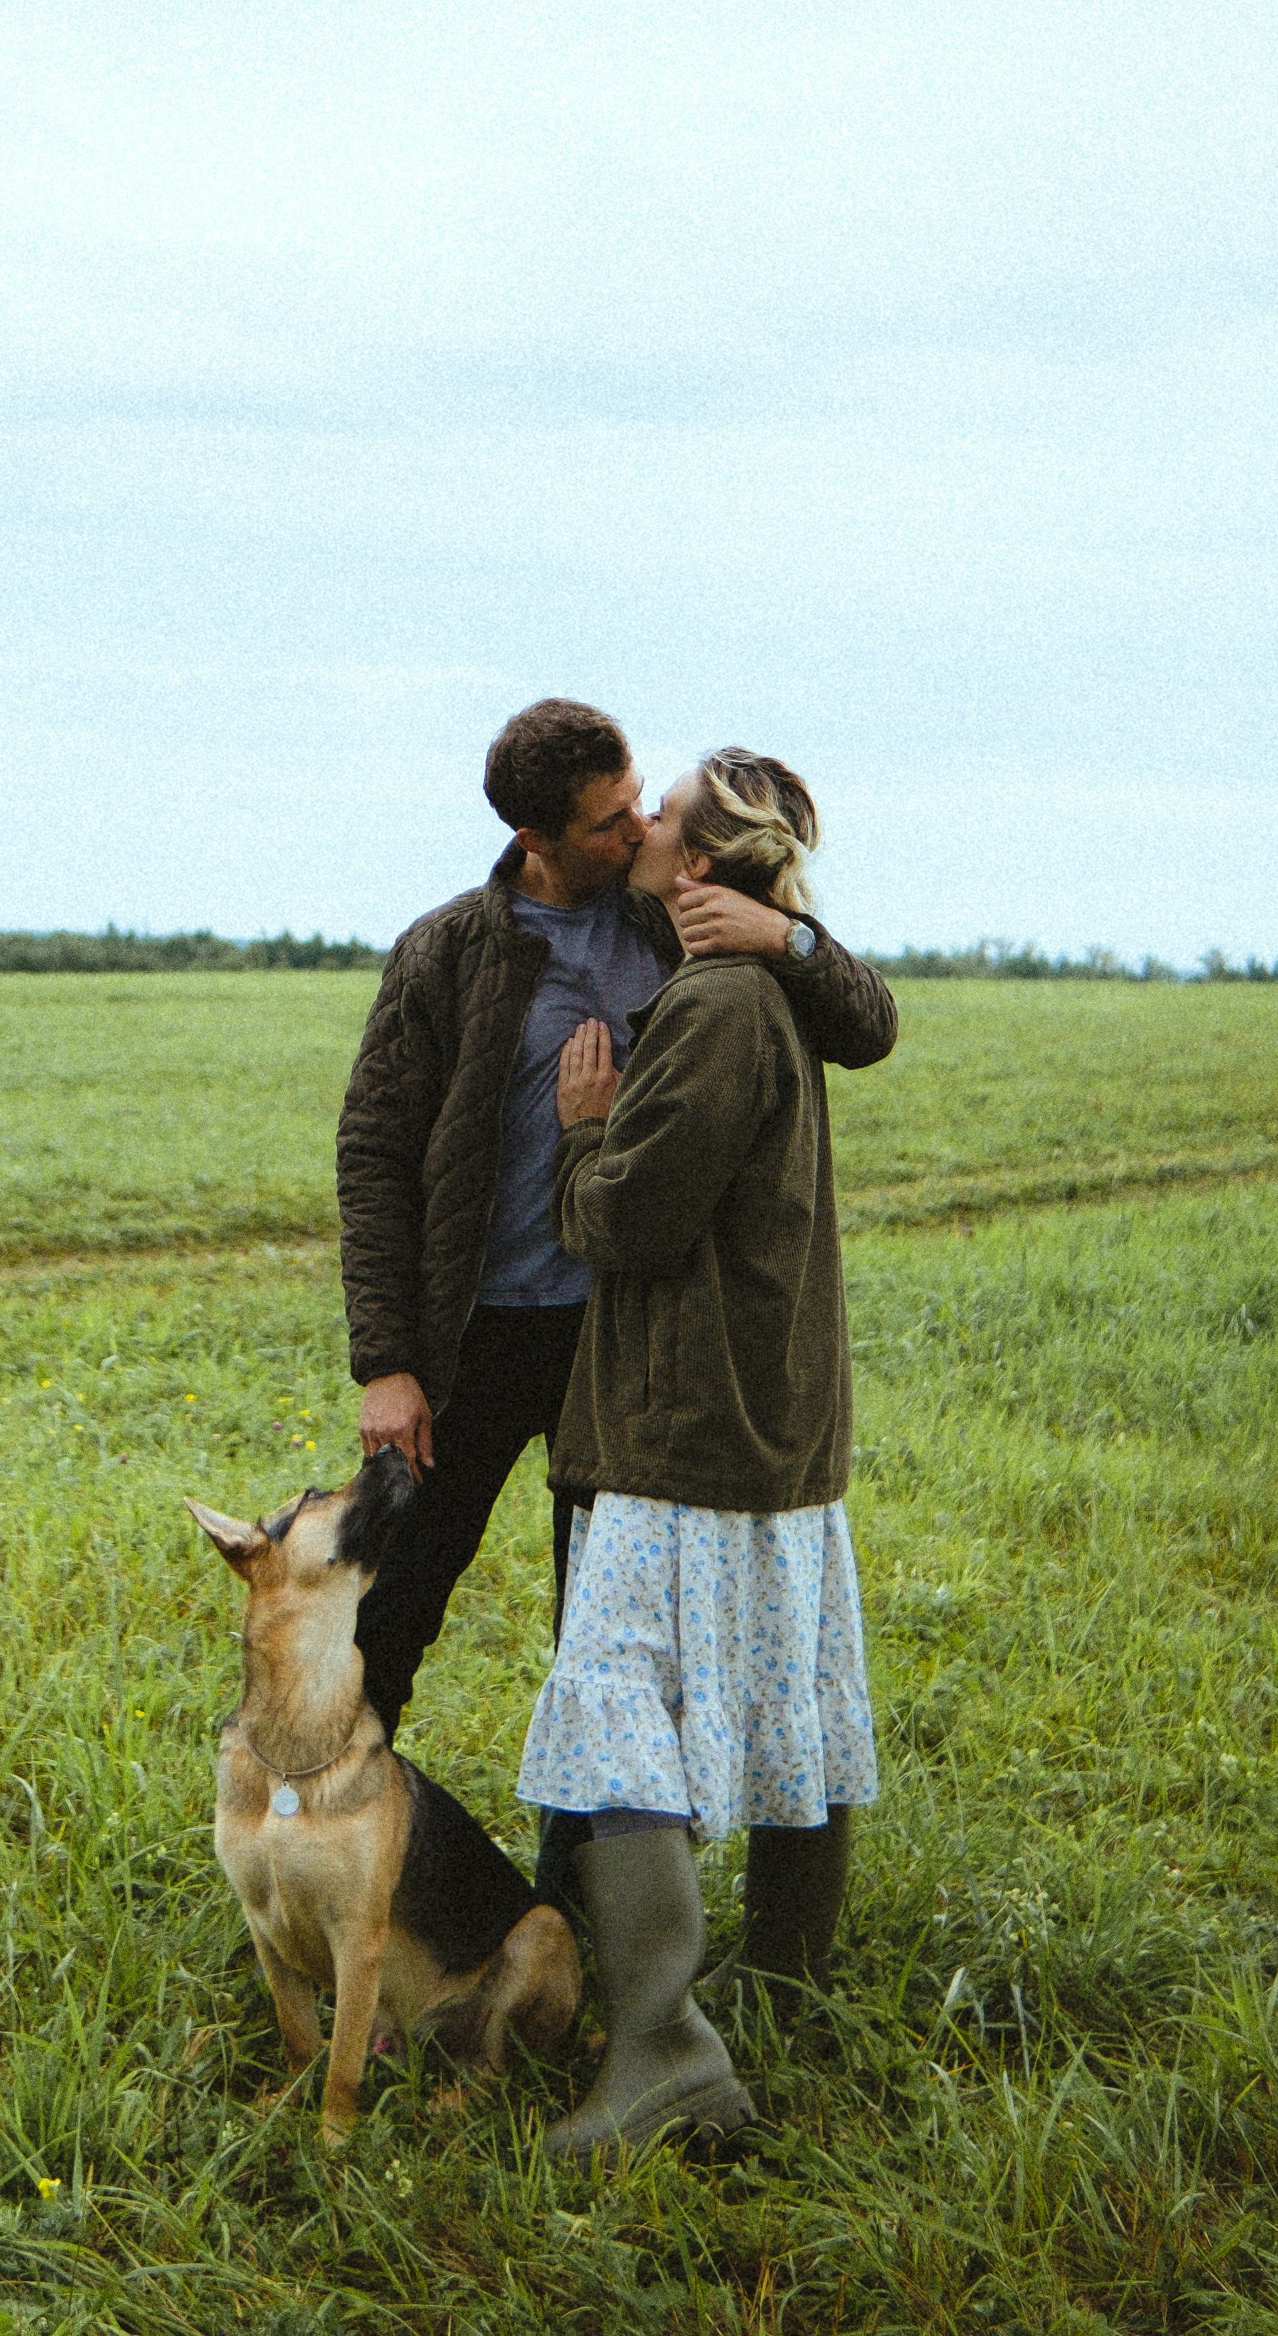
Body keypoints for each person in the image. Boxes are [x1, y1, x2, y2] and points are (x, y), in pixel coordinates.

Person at [337, 700, 896, 1752]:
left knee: (605, 1633)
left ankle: (583, 1886)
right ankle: (326, 1850)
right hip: (472, 1340)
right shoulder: (446, 950)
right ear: (531, 839)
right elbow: (371, 1158)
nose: (638, 827)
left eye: (639, 799)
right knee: (389, 1609)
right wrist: (386, 1362)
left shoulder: (679, 920)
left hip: (622, 1341)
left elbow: (866, 1025)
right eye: (607, 819)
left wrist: (789, 934)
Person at [518, 749, 878, 2156]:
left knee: (612, 1697)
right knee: (792, 1683)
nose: (641, 825)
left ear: (705, 861)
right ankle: (783, 1993)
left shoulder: (722, 1006)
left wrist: (579, 1145)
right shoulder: (759, 987)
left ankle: (665, 2050)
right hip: (764, 1419)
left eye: (661, 813)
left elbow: (635, 1224)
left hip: (686, 1425)